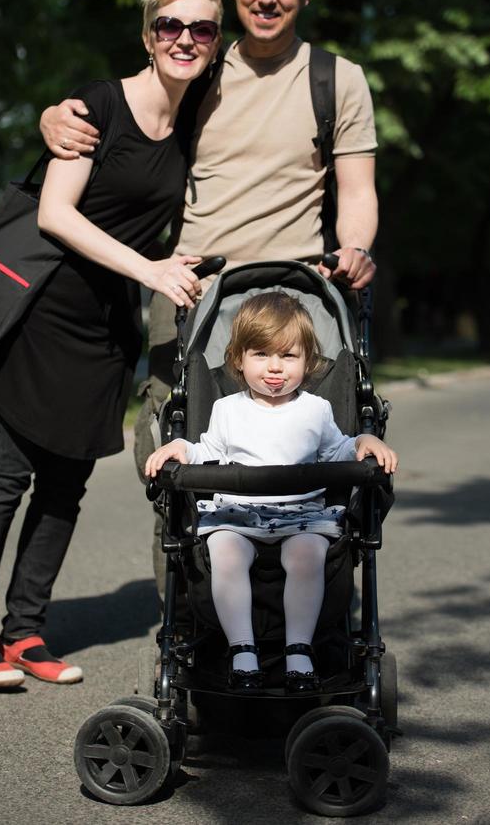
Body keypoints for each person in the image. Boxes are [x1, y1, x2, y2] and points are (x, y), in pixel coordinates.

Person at [38, 0, 379, 585]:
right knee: (178, 454)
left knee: (310, 459)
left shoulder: (338, 80)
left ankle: (306, 626)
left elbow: (357, 189)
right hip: (193, 290)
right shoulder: (200, 64)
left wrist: (357, 247)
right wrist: (54, 115)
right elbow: (129, 106)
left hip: (299, 295)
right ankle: (191, 627)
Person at [0, 0, 222, 689]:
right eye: (171, 25)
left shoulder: (191, 118)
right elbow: (55, 214)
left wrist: (165, 258)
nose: (184, 39)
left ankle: (26, 631)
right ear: (148, 32)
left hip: (107, 326)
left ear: (215, 40)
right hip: (44, 313)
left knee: (66, 486)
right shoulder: (97, 105)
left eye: (200, 28)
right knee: (7, 473)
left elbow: (133, 218)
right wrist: (152, 270)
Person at [145, 293, 398, 693]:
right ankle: (241, 649)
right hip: (239, 513)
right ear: (239, 359)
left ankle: (299, 649)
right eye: (261, 354)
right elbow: (210, 451)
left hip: (301, 514)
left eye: (289, 356)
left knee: (307, 555)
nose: (275, 368)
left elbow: (338, 449)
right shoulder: (228, 408)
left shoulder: (315, 409)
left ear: (308, 361)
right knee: (225, 551)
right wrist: (182, 448)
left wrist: (364, 440)